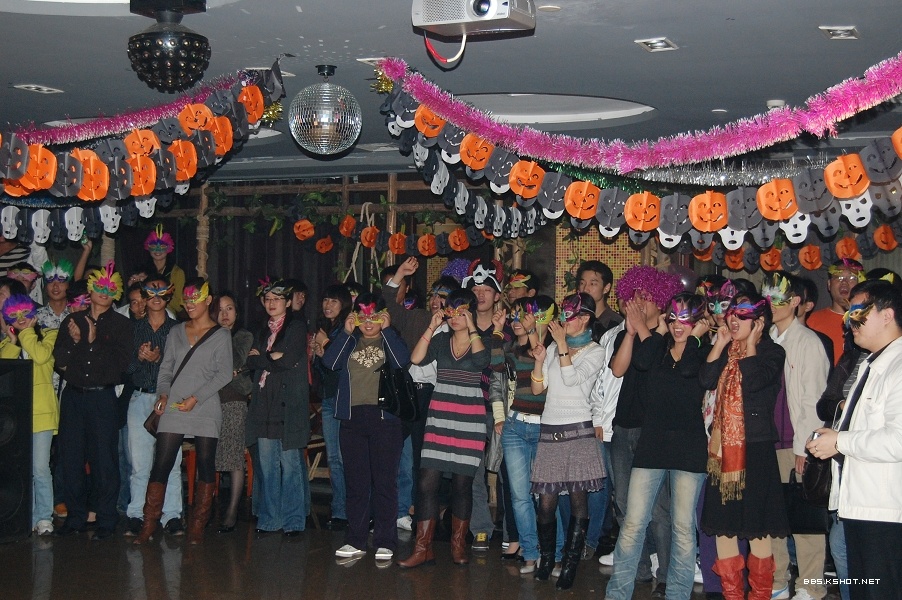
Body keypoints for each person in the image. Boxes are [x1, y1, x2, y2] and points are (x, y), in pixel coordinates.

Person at [605, 293, 710, 600]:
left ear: (699, 322)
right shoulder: (658, 347)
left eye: (686, 319)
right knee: (633, 523)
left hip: (688, 447)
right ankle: (617, 594)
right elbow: (640, 361)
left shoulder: (703, 351)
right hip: (651, 444)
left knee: (683, 528)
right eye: (673, 317)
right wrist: (660, 331)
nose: (678, 325)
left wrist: (695, 338)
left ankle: (678, 595)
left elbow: (689, 370)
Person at [808, 279, 902, 600]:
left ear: (887, 315)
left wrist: (840, 441)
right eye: (850, 313)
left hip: (884, 511)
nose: (850, 321)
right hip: (860, 505)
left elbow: (897, 440)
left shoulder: (897, 367)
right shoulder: (870, 363)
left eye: (859, 312)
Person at [699, 292, 789, 600]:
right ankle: (732, 595)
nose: (733, 320)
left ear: (759, 322)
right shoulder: (727, 351)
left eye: (742, 316)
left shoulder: (772, 352)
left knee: (757, 529)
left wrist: (750, 345)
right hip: (724, 449)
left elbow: (753, 382)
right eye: (732, 315)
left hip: (756, 449)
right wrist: (720, 343)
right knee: (723, 528)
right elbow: (705, 379)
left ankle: (760, 594)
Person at [133, 279, 232, 545]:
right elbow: (166, 368)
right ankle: (149, 523)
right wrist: (163, 394)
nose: (189, 304)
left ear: (208, 300)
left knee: (205, 464)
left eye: (194, 299)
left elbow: (224, 374)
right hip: (175, 404)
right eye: (186, 300)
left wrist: (196, 398)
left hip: (205, 405)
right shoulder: (176, 331)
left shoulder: (221, 335)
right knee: (161, 463)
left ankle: (198, 525)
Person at [397, 288, 490, 568]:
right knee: (427, 481)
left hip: (469, 419)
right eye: (451, 310)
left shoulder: (481, 340)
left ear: (471, 312)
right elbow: (415, 359)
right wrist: (432, 326)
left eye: (461, 310)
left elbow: (481, 361)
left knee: (462, 484)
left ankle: (458, 546)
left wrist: (471, 326)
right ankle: (422, 547)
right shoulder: (440, 340)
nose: (455, 316)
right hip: (439, 416)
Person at [604, 266, 683, 584]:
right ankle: (636, 570)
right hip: (623, 427)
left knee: (660, 509)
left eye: (645, 297)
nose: (637, 302)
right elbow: (619, 368)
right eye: (634, 296)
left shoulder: (670, 337)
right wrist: (631, 332)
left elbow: (647, 362)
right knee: (624, 503)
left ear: (660, 301)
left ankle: (666, 575)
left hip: (654, 431)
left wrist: (646, 330)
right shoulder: (626, 334)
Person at [322, 293, 411, 564]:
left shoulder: (389, 340)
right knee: (356, 483)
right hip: (352, 419)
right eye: (363, 317)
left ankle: (385, 540)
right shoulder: (350, 340)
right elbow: (330, 363)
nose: (368, 322)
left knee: (384, 482)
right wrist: (346, 332)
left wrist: (388, 330)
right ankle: (356, 539)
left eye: (374, 317)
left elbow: (402, 361)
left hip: (385, 419)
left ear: (383, 317)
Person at [528, 292, 606, 590]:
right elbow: (538, 389)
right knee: (545, 504)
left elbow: (573, 379)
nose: (563, 320)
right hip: (550, 430)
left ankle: (570, 565)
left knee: (577, 500)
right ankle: (547, 559)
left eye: (569, 315)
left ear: (584, 318)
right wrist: (539, 362)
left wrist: (561, 344)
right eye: (562, 314)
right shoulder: (552, 346)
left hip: (578, 431)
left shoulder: (595, 351)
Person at [52, 262, 133, 540]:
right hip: (74, 397)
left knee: (104, 461)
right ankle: (75, 517)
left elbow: (120, 366)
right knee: (70, 459)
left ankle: (106, 519)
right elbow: (60, 360)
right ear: (90, 288)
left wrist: (93, 341)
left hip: (102, 399)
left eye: (110, 289)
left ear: (116, 293)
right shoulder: (72, 320)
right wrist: (77, 342)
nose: (103, 292)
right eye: (99, 286)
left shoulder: (122, 325)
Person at [763, 272, 831, 600]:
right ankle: (778, 579)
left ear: (795, 302)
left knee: (805, 519)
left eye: (779, 298)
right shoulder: (765, 337)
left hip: (796, 443)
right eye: (768, 296)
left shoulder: (807, 342)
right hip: (767, 442)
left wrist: (806, 446)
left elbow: (814, 399)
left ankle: (811, 586)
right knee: (773, 516)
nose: (772, 303)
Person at [246, 278, 310, 536]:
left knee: (291, 464)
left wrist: (264, 359)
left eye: (277, 299)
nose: (271, 303)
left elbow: (289, 359)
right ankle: (270, 519)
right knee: (267, 465)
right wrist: (270, 357)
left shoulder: (296, 326)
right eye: (268, 299)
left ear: (288, 302)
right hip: (264, 402)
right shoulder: (261, 330)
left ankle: (293, 521)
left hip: (288, 403)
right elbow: (251, 362)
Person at [497, 295, 556, 574]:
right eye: (518, 315)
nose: (521, 319)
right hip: (515, 425)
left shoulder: (555, 348)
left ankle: (551, 551)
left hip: (545, 427)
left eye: (528, 314)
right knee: (520, 496)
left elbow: (539, 359)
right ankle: (530, 553)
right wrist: (498, 331)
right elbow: (495, 366)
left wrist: (533, 331)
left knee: (544, 496)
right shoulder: (513, 348)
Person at [123, 276, 182, 538]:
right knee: (140, 463)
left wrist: (159, 361)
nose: (156, 297)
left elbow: (184, 368)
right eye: (150, 292)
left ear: (169, 295)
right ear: (144, 297)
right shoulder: (133, 329)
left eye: (161, 292)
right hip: (140, 397)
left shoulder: (178, 329)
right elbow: (125, 370)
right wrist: (139, 358)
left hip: (169, 399)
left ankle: (172, 515)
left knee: (172, 461)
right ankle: (137, 514)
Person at [0, 294, 58, 535]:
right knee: (20, 469)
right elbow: (4, 368)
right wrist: (13, 341)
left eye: (25, 313)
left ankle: (44, 517)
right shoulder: (8, 343)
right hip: (15, 420)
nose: (21, 319)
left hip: (42, 414)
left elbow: (41, 356)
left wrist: (26, 334)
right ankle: (26, 517)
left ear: (34, 314)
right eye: (14, 316)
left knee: (40, 469)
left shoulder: (49, 335)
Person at [312, 283, 354, 530]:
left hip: (344, 399)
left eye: (334, 301)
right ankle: (340, 510)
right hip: (328, 398)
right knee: (334, 458)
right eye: (326, 300)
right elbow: (325, 368)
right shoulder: (324, 328)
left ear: (344, 304)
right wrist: (317, 354)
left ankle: (352, 510)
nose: (328, 305)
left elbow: (342, 363)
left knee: (346, 456)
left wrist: (325, 345)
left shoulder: (347, 329)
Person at [214, 291, 254, 533]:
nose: (224, 314)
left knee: (233, 455)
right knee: (210, 454)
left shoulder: (243, 335)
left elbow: (236, 361)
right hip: (209, 401)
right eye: (219, 309)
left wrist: (222, 336)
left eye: (229, 308)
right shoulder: (207, 334)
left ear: (237, 313)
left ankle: (232, 510)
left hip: (234, 399)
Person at [808, 259, 864, 365]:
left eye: (851, 278)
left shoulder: (868, 320)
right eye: (838, 277)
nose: (844, 282)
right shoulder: (812, 321)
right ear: (829, 284)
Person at [142, 224, 186, 316]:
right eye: (153, 246)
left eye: (162, 246)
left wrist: (163, 293)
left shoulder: (177, 273)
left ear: (169, 248)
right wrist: (135, 284)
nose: (158, 250)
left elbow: (179, 305)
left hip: (168, 315)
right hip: (145, 314)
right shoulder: (142, 271)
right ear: (148, 248)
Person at [577, 260, 623, 335]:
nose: (585, 289)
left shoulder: (615, 324)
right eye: (582, 283)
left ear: (606, 288)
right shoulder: (574, 320)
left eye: (592, 284)